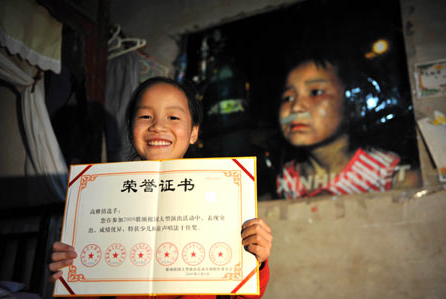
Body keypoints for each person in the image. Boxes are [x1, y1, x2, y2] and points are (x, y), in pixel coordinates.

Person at [48, 77, 272, 298]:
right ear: (131, 128)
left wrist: (256, 261)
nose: (158, 126)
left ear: (194, 132)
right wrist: (70, 272)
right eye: (145, 116)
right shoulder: (100, 197)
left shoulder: (224, 196)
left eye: (173, 117)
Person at [276, 54, 421, 199]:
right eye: (288, 97)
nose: (296, 107)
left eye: (316, 93)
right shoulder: (287, 178)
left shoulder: (392, 175)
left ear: (352, 104)